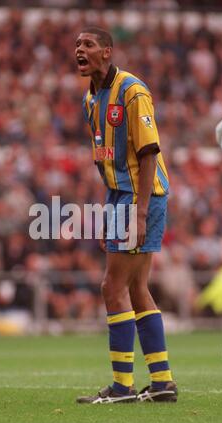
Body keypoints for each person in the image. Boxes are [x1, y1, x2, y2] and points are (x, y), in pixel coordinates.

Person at [75, 27, 177, 403]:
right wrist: (109, 212)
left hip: (140, 197)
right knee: (135, 288)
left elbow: (149, 151)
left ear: (107, 51)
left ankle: (122, 387)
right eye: (76, 45)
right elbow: (108, 162)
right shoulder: (91, 99)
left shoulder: (133, 91)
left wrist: (138, 211)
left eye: (87, 44)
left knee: (111, 287)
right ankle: (163, 381)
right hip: (123, 196)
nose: (79, 50)